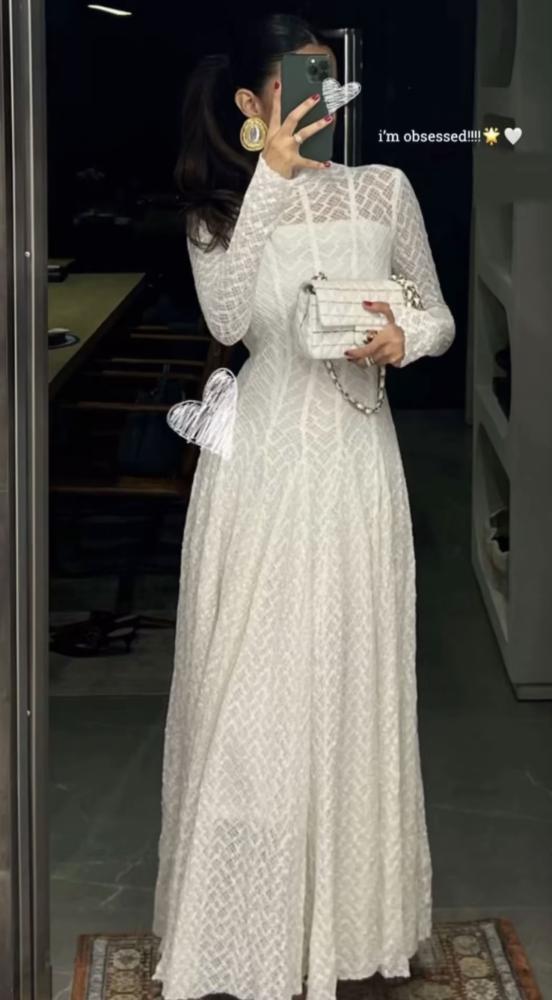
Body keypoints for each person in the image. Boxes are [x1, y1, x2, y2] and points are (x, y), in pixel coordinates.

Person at [151, 13, 455, 1000]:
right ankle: (242, 927)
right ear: (253, 99)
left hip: (359, 456)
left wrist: (406, 339)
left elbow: (439, 312)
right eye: (298, 76)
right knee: (254, 690)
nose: (320, 91)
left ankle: (349, 928)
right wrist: (272, 180)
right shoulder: (219, 210)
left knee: (350, 675)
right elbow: (227, 318)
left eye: (328, 72)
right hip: (265, 468)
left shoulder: (384, 187)